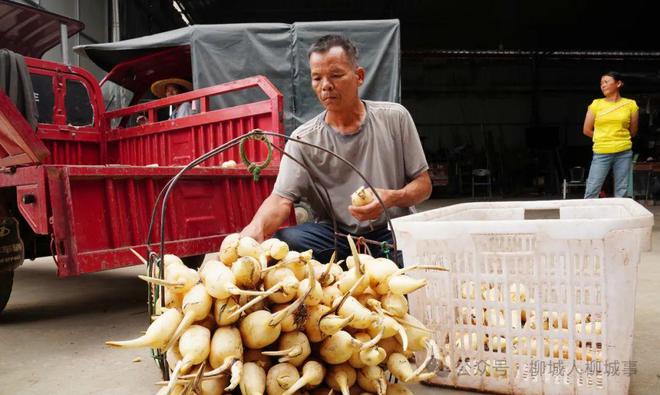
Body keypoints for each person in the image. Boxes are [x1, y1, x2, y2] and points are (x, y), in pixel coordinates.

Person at [240, 35, 431, 263]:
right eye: (317, 78)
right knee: (285, 242)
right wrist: (255, 229)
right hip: (336, 236)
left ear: (359, 76)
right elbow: (281, 199)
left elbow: (424, 186)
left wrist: (391, 197)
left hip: (389, 230)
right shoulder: (303, 139)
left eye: (336, 75)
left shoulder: (395, 118)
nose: (326, 86)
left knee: (412, 257)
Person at [582, 71, 639, 198]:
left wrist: (618, 138)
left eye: (606, 82)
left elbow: (633, 131)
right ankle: (588, 217)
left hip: (624, 152)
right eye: (601, 83)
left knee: (622, 190)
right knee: (592, 189)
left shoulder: (630, 105)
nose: (603, 85)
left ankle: (620, 217)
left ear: (618, 83)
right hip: (601, 152)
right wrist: (604, 138)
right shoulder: (596, 104)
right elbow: (586, 130)